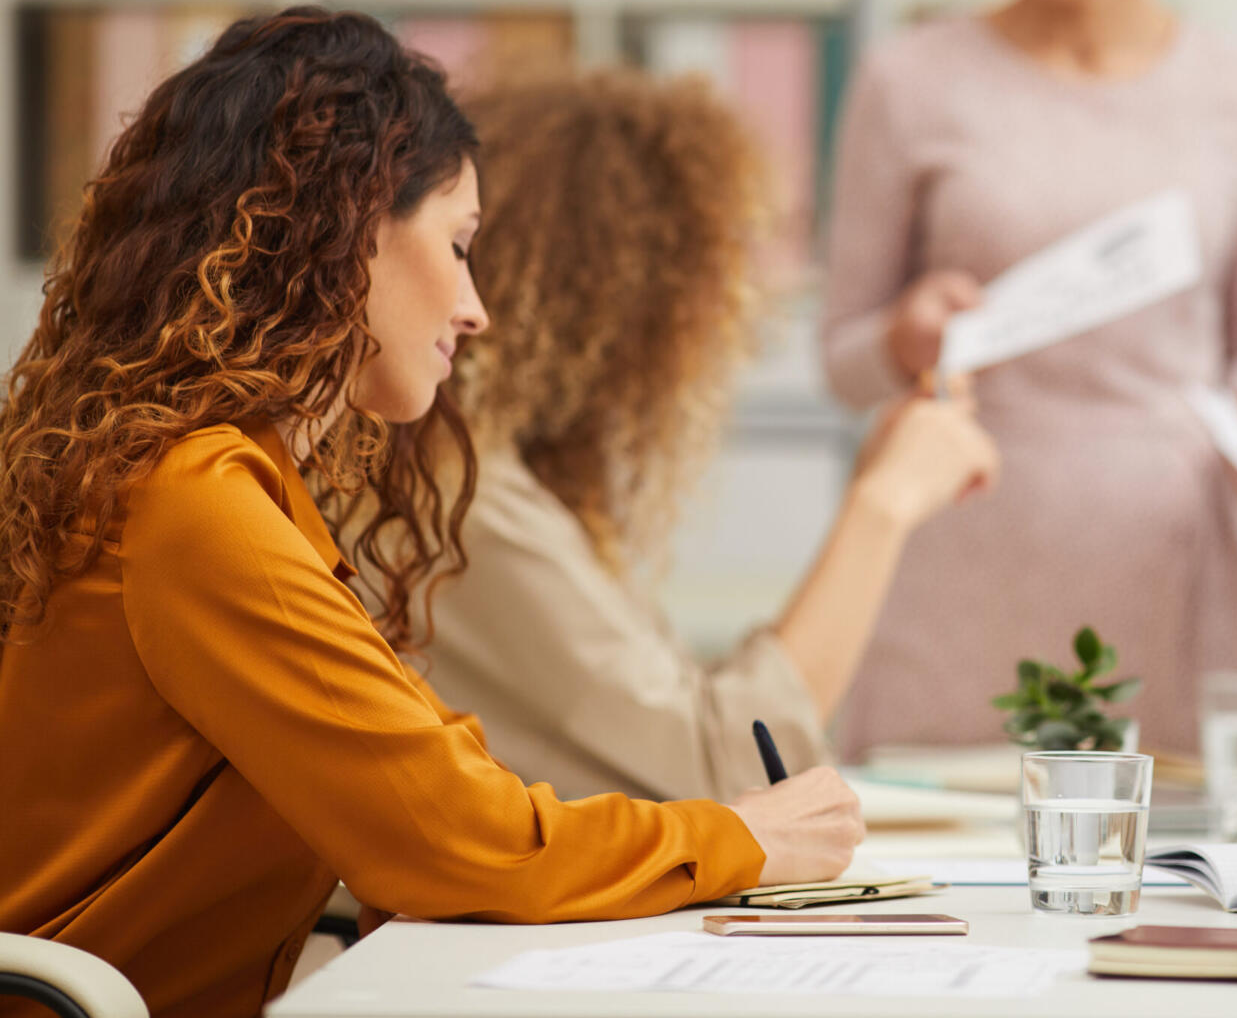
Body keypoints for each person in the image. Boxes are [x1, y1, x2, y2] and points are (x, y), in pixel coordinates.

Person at [0, 9, 862, 1018]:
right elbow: (463, 834)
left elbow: (429, 786)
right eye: (456, 246)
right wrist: (743, 837)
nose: (475, 307)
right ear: (346, 229)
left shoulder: (210, 478)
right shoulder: (195, 506)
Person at [820, 0, 1237, 756]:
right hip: (956, 568)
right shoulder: (908, 81)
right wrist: (908, 335)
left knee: (1179, 886)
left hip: (1168, 576)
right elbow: (841, 358)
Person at [416, 71, 1000, 803]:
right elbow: (728, 767)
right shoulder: (465, 497)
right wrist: (882, 505)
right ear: (623, 303)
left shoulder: (496, 479)